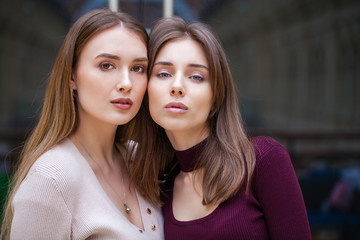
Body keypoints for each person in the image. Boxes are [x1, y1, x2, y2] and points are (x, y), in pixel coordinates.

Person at [130, 16, 311, 239]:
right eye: (164, 74)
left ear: (216, 96)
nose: (177, 86)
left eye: (196, 77)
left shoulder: (262, 161)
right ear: (147, 91)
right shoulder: (159, 191)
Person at [1, 9, 163, 240]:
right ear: (72, 76)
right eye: (106, 65)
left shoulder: (141, 159)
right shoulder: (51, 180)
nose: (126, 83)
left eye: (138, 68)